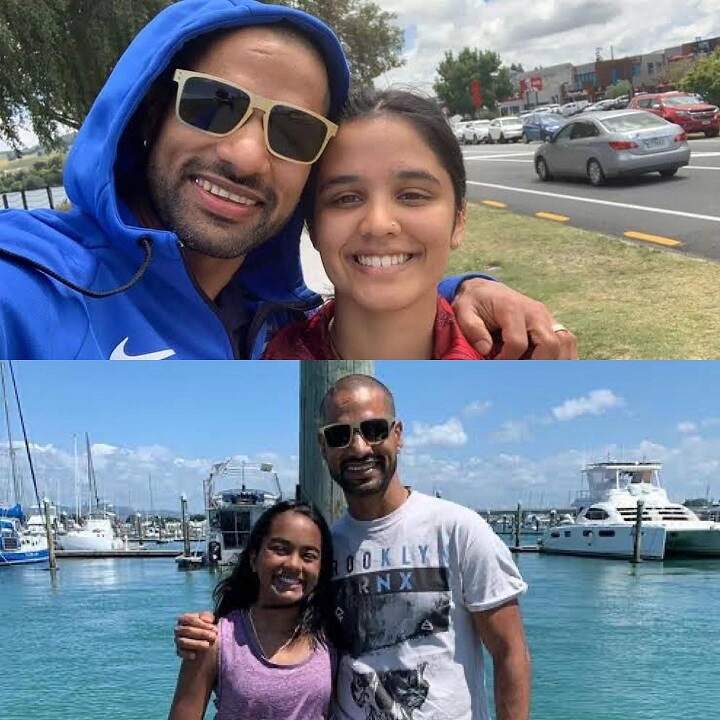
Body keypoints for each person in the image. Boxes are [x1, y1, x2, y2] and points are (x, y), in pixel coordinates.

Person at [0, 0, 575, 359]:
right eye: (214, 104)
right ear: (151, 113)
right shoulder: (27, 289)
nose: (247, 157)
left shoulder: (276, 322)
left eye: (293, 132)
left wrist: (462, 289)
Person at [176, 374, 531, 720]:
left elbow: (510, 652)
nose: (359, 447)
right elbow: (275, 626)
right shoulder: (326, 548)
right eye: (340, 435)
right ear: (323, 446)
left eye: (374, 430)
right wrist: (208, 635)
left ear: (398, 434)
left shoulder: (460, 530)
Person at [263, 89, 485, 359]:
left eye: (412, 195)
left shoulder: (519, 355)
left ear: (459, 219)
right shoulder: (262, 358)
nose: (379, 224)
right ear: (313, 227)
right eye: (346, 198)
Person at [169, 500, 338, 719]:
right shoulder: (213, 640)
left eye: (308, 556)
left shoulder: (330, 637)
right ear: (253, 558)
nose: (294, 565)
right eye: (280, 549)